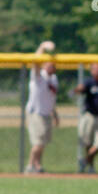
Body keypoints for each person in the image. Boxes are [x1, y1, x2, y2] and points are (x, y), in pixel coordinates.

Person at [25, 41, 59, 173]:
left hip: (46, 113)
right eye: (48, 63)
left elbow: (51, 99)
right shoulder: (39, 76)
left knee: (42, 143)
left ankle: (37, 165)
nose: (51, 65)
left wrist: (55, 114)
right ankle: (30, 166)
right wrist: (42, 46)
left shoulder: (54, 78)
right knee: (38, 142)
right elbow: (35, 62)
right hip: (36, 113)